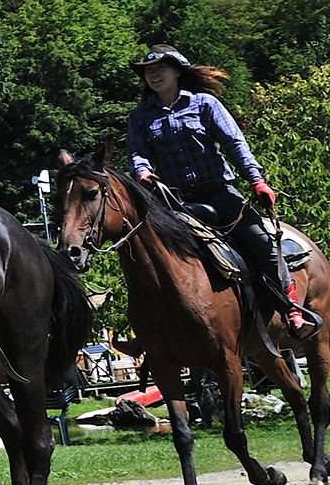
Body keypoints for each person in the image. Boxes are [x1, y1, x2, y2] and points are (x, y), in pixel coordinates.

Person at [126, 44, 317, 339]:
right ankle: (151, 333)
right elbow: (137, 153)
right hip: (173, 202)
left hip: (218, 193)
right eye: (148, 71)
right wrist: (142, 172)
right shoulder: (140, 116)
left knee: (262, 244)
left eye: (159, 68)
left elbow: (235, 144)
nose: (153, 75)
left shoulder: (205, 104)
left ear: (177, 71)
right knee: (144, 255)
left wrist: (256, 181)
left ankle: (292, 309)